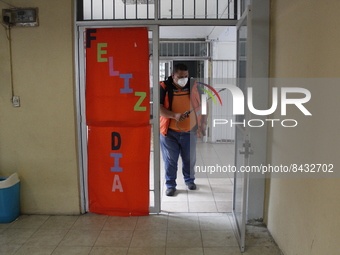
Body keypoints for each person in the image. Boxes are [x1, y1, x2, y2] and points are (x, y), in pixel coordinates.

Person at [160, 63, 207, 196]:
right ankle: (170, 185)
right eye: (180, 76)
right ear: (173, 75)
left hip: (190, 131)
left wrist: (203, 123)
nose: (184, 79)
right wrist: (174, 115)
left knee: (189, 159)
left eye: (186, 76)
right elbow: (158, 108)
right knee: (170, 160)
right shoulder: (163, 87)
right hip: (169, 132)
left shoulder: (195, 86)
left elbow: (204, 104)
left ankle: (189, 180)